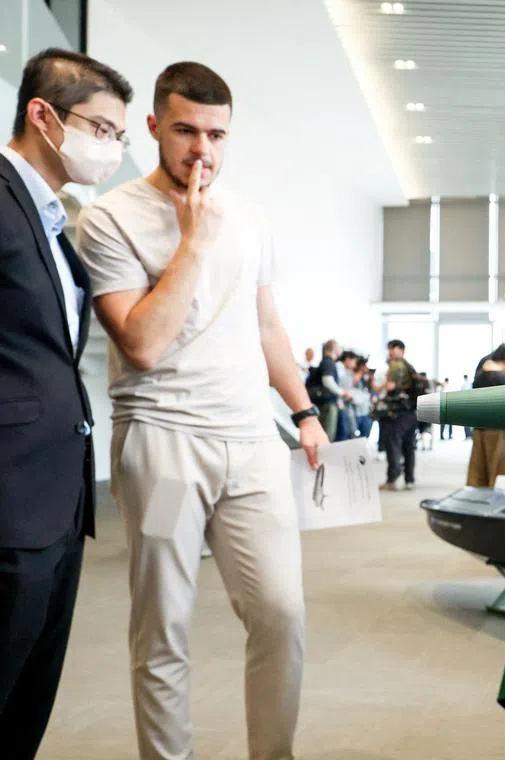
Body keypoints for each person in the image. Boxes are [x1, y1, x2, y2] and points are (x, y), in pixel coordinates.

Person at [75, 61, 326, 760]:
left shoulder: (250, 215)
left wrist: (303, 411)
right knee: (163, 624)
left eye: (216, 134)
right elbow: (144, 344)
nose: (202, 150)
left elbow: (267, 325)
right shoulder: (108, 219)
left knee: (282, 612)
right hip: (162, 449)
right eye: (186, 130)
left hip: (251, 443)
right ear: (154, 127)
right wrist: (194, 240)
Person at [0, 47, 132, 759]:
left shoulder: (54, 219)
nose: (110, 147)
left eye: (118, 135)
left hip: (56, 502)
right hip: (9, 504)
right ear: (43, 115)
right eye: (101, 129)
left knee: (27, 702)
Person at [466, 343, 505, 488]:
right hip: (498, 431)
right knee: (498, 471)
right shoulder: (504, 379)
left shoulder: (480, 376)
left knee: (478, 471)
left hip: (479, 429)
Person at [379, 339, 420, 491]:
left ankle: (392, 478)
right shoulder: (410, 367)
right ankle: (409, 479)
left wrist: (378, 386)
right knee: (409, 445)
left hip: (399, 412)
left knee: (393, 443)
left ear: (401, 350)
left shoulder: (397, 366)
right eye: (390, 349)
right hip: (412, 411)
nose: (390, 352)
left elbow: (390, 386)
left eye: (393, 349)